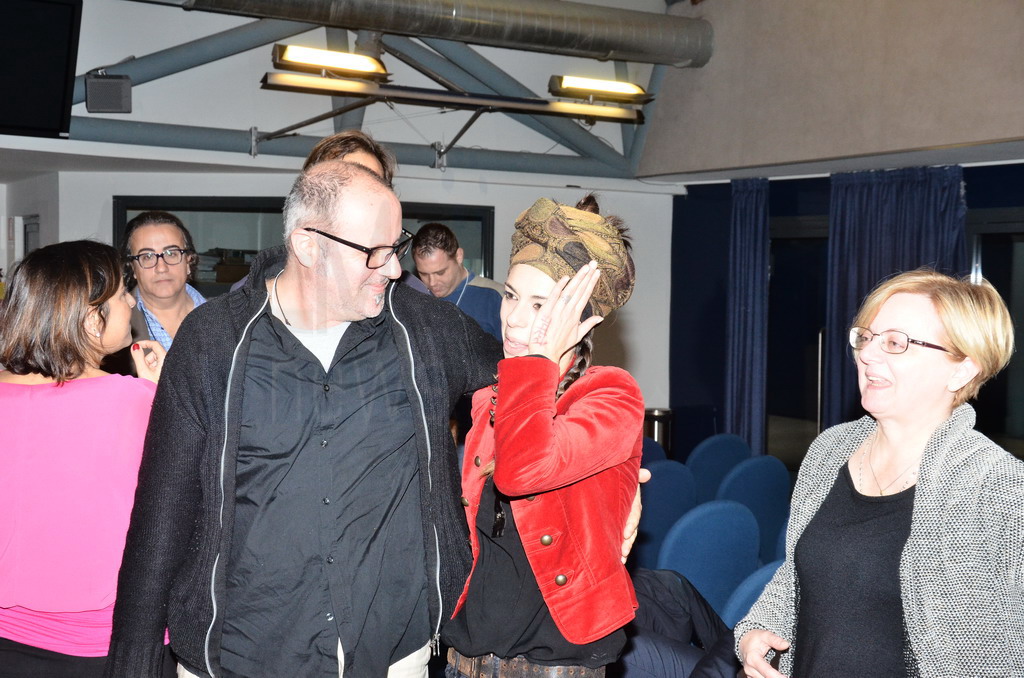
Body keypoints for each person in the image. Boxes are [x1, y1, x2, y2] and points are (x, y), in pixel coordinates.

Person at [105, 161, 504, 678]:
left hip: (392, 652)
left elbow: (524, 383)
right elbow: (164, 506)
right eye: (375, 252)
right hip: (238, 652)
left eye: (396, 247)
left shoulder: (425, 331)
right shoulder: (214, 340)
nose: (394, 269)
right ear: (308, 246)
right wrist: (134, 657)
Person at [736, 269, 1024, 677]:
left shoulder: (1001, 488)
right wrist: (757, 631)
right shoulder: (830, 450)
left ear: (961, 370)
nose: (868, 355)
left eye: (895, 342)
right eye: (866, 337)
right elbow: (796, 576)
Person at [442, 195, 642, 677]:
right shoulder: (491, 393)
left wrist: (539, 361)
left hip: (555, 665)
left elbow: (523, 472)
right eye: (511, 296)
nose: (513, 318)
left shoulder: (611, 395)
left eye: (539, 305)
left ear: (580, 319)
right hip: (466, 659)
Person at [0, 241, 166, 677]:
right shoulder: (132, 400)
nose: (133, 302)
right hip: (100, 642)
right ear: (93, 320)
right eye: (123, 294)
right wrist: (161, 391)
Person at [412, 223, 504, 339]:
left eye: (440, 273)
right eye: (424, 274)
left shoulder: (496, 297)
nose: (432, 283)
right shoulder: (415, 298)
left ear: (459, 256)